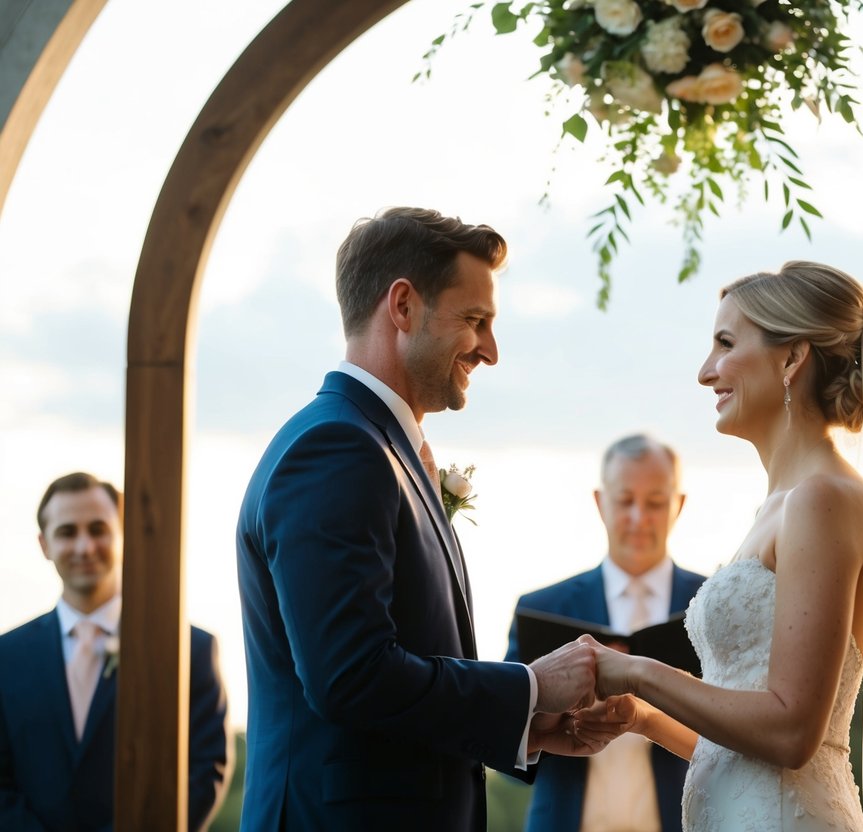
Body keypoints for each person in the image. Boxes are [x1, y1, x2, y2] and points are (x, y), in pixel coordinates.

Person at [576, 262, 863, 830]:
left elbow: (793, 733)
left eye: (726, 344)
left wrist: (637, 672)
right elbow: (746, 751)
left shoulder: (825, 499)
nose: (705, 372)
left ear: (792, 358)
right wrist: (644, 718)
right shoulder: (780, 506)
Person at [235, 207, 599, 832]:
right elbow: (351, 676)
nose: (490, 351)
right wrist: (530, 687)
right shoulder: (337, 449)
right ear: (403, 306)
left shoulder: (374, 446)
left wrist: (523, 726)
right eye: (475, 321)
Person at [0, 472, 230, 832]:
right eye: (67, 532)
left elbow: (204, 769)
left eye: (98, 529)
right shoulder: (6, 657)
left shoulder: (190, 650)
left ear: (124, 534)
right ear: (44, 545)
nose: (84, 547)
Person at [505, 434, 708, 832]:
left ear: (679, 505)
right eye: (625, 500)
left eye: (655, 502)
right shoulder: (543, 608)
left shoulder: (711, 607)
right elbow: (505, 751)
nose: (638, 517)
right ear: (600, 503)